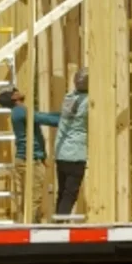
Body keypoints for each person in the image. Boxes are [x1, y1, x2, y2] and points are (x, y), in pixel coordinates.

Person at [0, 84, 60, 224]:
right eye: (15, 90)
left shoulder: (19, 111)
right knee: (34, 198)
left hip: (28, 159)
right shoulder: (20, 111)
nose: (19, 91)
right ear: (13, 96)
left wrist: (64, 115)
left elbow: (43, 115)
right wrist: (69, 120)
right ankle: (28, 229)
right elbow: (44, 119)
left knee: (30, 198)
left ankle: (27, 225)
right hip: (29, 161)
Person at [54, 68, 90, 220]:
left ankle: (57, 222)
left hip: (61, 152)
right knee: (70, 193)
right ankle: (61, 223)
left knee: (62, 191)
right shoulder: (89, 102)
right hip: (76, 153)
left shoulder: (69, 97)